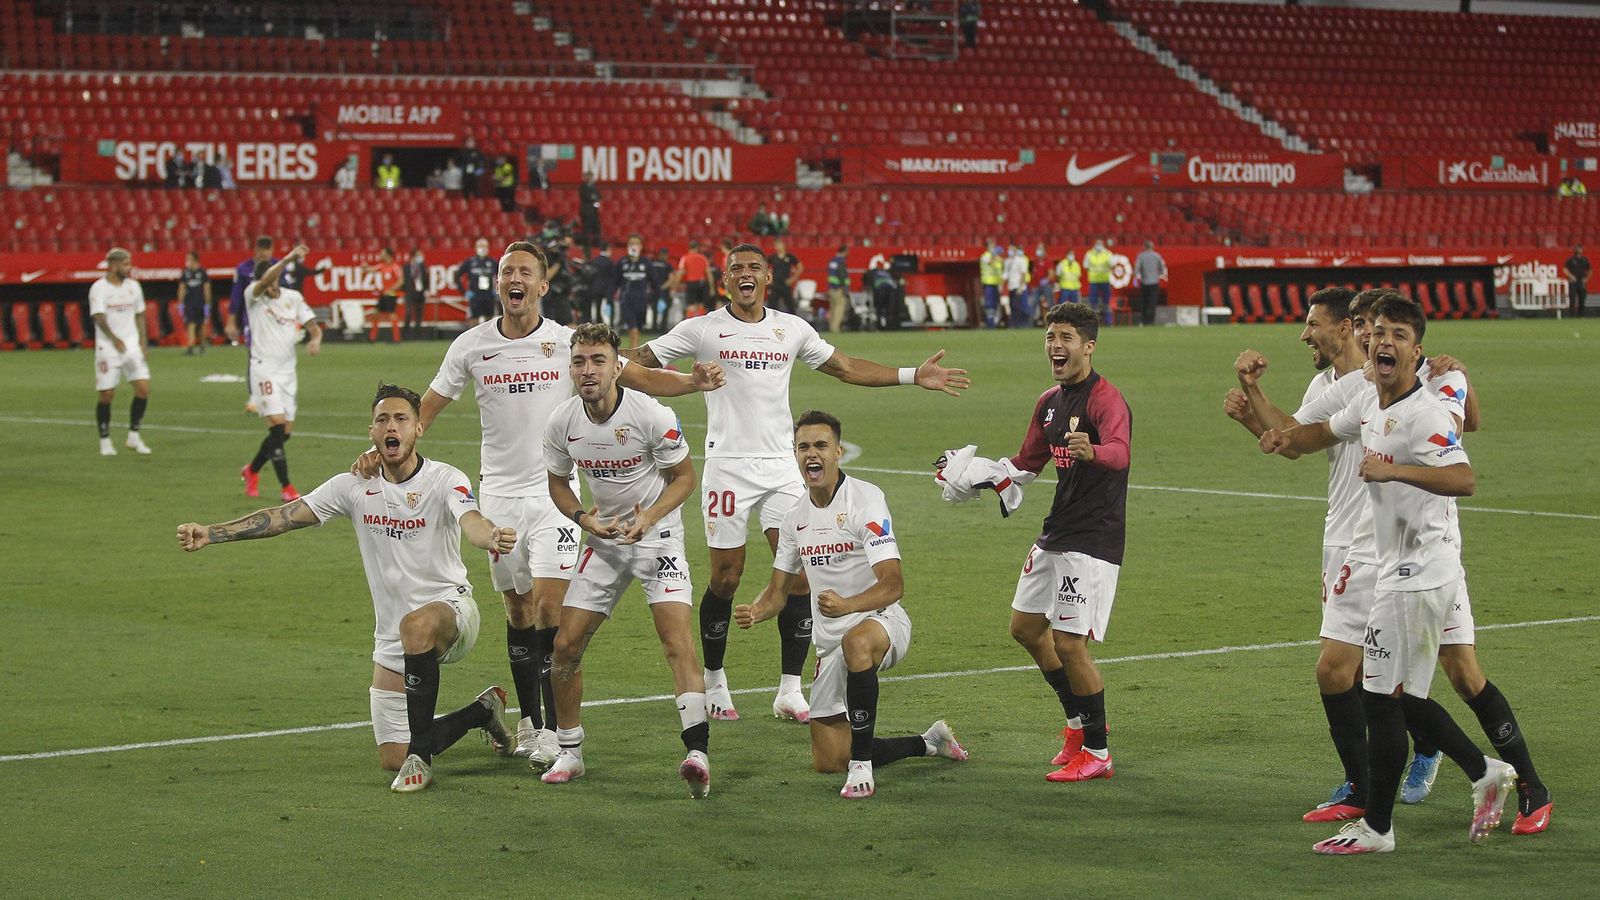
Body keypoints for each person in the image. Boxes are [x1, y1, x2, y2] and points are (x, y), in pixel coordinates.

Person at [356, 241, 722, 770]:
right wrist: (380, 452)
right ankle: (529, 721)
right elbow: (426, 410)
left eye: (525, 271)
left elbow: (637, 376)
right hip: (499, 494)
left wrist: (691, 382)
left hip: (555, 494)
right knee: (518, 609)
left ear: (543, 285)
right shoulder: (470, 346)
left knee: (551, 607)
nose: (514, 279)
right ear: (499, 283)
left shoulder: (568, 344)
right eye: (507, 272)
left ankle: (554, 733)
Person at [1245, 290, 1551, 835]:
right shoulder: (1361, 393)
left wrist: (1452, 392)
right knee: (1454, 676)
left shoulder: (1429, 391)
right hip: (1405, 557)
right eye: (1370, 328)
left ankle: (1460, 783)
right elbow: (1315, 434)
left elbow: (1464, 456)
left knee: (1389, 685)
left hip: (1417, 562)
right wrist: (1271, 432)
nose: (1375, 338)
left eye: (1387, 331)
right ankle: (1505, 779)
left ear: (1412, 346)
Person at [626, 242, 970, 724]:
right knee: (726, 577)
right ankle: (716, 679)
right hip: (727, 466)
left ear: (768, 278)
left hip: (782, 470)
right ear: (724, 282)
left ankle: (789, 688)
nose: (744, 274)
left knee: (801, 577)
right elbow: (636, 360)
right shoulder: (702, 329)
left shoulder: (791, 329)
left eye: (753, 267)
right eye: (735, 269)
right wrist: (592, 358)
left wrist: (914, 375)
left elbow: (846, 367)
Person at [180, 383, 519, 792]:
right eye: (382, 420)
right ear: (372, 433)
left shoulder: (445, 479)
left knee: (416, 627)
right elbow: (284, 516)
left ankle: (421, 761)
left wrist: (489, 536)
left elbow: (471, 520)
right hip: (393, 635)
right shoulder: (353, 486)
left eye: (401, 418)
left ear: (418, 429)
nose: (391, 426)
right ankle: (482, 712)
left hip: (452, 613)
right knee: (391, 755)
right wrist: (211, 533)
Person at [735, 410, 969, 799]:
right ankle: (929, 742)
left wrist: (848, 605)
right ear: (795, 455)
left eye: (821, 445)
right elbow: (779, 591)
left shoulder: (865, 499)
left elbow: (893, 585)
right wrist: (757, 610)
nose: (813, 454)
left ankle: (862, 769)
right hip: (831, 644)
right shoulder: (795, 519)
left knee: (856, 644)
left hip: (882, 621)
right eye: (804, 446)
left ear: (838, 452)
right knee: (829, 759)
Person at [538, 323, 710, 796]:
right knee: (565, 646)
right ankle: (570, 752)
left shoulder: (652, 414)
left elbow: (684, 478)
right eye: (579, 362)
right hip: (605, 541)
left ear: (619, 366)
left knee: (676, 641)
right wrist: (582, 518)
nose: (587, 370)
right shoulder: (562, 423)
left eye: (597, 360)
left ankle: (697, 752)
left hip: (659, 538)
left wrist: (649, 517)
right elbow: (558, 482)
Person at [1224, 288, 1374, 821]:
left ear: (1348, 327)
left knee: (1349, 666)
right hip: (1339, 536)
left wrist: (1254, 392)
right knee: (1358, 667)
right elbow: (1293, 440)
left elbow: (1289, 434)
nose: (1304, 333)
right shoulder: (1326, 384)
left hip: (1374, 540)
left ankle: (1391, 773)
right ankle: (1382, 771)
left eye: (1313, 324)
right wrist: (1250, 411)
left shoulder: (1376, 382)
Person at [1002, 302, 1131, 781]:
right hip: (1057, 530)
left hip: (1092, 538)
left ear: (1088, 346)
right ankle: (1077, 725)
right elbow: (1027, 462)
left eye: (1066, 338)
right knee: (1025, 627)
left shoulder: (1105, 399)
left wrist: (1092, 450)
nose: (1056, 346)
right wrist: (977, 476)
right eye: (1051, 337)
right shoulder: (1050, 402)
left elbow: (1119, 452)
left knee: (1070, 643)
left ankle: (1097, 752)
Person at [239, 244, 323, 502]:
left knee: (284, 433)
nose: (274, 285)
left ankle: (252, 470)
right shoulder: (253, 297)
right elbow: (263, 280)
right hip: (264, 369)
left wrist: (315, 338)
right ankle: (287, 487)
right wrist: (288, 257)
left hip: (288, 374)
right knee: (276, 427)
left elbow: (313, 325)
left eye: (277, 280)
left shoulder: (292, 298)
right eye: (271, 280)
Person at [89, 247, 153, 457]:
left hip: (132, 346)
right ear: (114, 265)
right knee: (107, 394)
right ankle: (105, 440)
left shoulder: (133, 287)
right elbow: (98, 316)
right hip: (108, 348)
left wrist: (143, 343)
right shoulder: (99, 288)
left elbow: (140, 315)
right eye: (126, 264)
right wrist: (114, 339)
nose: (129, 267)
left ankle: (134, 436)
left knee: (143, 389)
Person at [227, 236, 276, 413]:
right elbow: (236, 297)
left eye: (268, 250)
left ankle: (273, 393)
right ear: (256, 250)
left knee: (275, 355)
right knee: (254, 355)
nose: (265, 254)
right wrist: (231, 321)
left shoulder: (277, 267)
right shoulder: (243, 269)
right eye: (262, 250)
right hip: (252, 320)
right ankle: (254, 396)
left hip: (274, 320)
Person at [362, 247, 404, 343]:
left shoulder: (395, 267)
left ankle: (396, 338)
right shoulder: (382, 266)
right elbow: (371, 270)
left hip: (391, 294)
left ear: (388, 255)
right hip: (384, 294)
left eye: (382, 253)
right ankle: (372, 337)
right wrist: (365, 267)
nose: (381, 255)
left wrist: (391, 289)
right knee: (376, 313)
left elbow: (401, 281)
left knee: (392, 315)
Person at [617, 234, 652, 347]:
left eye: (636, 244)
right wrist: (609, 296)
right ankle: (634, 355)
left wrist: (657, 296)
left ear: (641, 246)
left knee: (638, 328)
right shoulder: (622, 263)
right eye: (631, 244)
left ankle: (634, 350)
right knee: (633, 330)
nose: (634, 246)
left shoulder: (646, 263)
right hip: (626, 300)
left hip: (641, 301)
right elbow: (614, 281)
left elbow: (654, 281)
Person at [455, 238, 499, 327]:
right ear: (476, 248)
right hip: (475, 295)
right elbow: (457, 276)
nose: (482, 248)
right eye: (480, 246)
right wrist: (464, 292)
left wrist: (497, 291)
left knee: (489, 320)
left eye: (485, 246)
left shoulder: (492, 262)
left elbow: (501, 276)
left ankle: (488, 340)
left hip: (488, 295)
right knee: (474, 320)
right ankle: (473, 339)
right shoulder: (470, 262)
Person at [179, 250, 211, 355]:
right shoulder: (185, 273)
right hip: (190, 303)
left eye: (189, 259)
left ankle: (202, 346)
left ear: (195, 260)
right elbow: (181, 288)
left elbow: (207, 288)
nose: (187, 261)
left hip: (200, 303)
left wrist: (207, 304)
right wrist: (181, 304)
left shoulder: (202, 272)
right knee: (191, 324)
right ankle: (190, 346)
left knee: (202, 325)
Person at [677, 240, 714, 324]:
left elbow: (681, 271)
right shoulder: (703, 258)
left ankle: (690, 325)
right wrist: (712, 288)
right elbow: (708, 273)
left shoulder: (685, 257)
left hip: (691, 283)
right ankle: (701, 326)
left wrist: (677, 283)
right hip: (702, 284)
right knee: (701, 305)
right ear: (697, 248)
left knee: (691, 306)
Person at [1133, 240, 1167, 326]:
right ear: (1152, 247)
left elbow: (1137, 267)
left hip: (1145, 281)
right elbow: (1162, 267)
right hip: (1154, 282)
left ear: (1144, 247)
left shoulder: (1141, 256)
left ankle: (1144, 320)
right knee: (1153, 301)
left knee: (1144, 301)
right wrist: (1159, 274)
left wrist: (1135, 277)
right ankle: (1151, 320)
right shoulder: (1157, 255)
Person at [766, 238, 803, 316]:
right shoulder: (773, 257)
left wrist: (793, 279)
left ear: (783, 245)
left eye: (779, 245)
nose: (777, 247)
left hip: (785, 283)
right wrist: (769, 278)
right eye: (776, 245)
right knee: (772, 305)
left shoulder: (789, 257)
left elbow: (800, 267)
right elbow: (764, 266)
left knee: (790, 306)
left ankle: (793, 323)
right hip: (775, 284)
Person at [403, 248, 431, 340]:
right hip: (410, 293)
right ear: (413, 256)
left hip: (420, 293)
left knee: (419, 315)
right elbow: (404, 280)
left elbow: (426, 279)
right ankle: (405, 333)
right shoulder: (406, 267)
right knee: (408, 313)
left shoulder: (422, 267)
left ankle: (417, 335)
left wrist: (426, 289)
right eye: (419, 255)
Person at [1084, 239, 1113, 323]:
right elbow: (1086, 266)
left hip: (1105, 281)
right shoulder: (1089, 254)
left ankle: (1108, 321)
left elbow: (1112, 265)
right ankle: (1093, 321)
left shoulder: (1108, 254)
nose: (1098, 246)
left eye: (1100, 244)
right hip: (1094, 281)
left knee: (1106, 302)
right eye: (1097, 244)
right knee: (1093, 302)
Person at [979, 238, 1004, 327]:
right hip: (988, 283)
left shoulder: (998, 258)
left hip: (996, 283)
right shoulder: (985, 256)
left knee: (996, 303)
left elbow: (1001, 270)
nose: (993, 247)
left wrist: (1001, 283)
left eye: (993, 245)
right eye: (991, 245)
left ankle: (996, 321)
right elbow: (990, 262)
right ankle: (990, 323)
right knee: (989, 303)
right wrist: (994, 255)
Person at [1003, 245, 1029, 328]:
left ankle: (1023, 324)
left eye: (1011, 250)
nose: (1009, 251)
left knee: (1021, 307)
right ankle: (1014, 324)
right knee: (1013, 306)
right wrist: (1002, 285)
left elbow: (1023, 274)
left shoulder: (1021, 260)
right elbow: (1006, 274)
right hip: (1011, 287)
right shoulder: (1007, 261)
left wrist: (1021, 287)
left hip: (1019, 287)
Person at [825, 243, 849, 332]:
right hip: (838, 288)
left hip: (831, 287)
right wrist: (844, 288)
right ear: (845, 251)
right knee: (839, 308)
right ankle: (835, 328)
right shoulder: (841, 262)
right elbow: (842, 275)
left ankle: (831, 327)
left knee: (832, 308)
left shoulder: (832, 261)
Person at [578, 170, 602, 252]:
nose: (591, 178)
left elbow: (598, 196)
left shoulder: (594, 187)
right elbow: (588, 197)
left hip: (594, 212)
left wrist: (594, 197)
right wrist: (594, 197)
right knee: (587, 229)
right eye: (589, 176)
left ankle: (596, 245)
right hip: (586, 212)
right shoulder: (583, 186)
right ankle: (586, 246)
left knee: (597, 228)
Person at [1565, 245, 1589, 318]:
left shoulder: (1584, 260)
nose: (1579, 251)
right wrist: (1571, 276)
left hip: (1581, 281)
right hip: (1573, 282)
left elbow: (1590, 270)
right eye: (1578, 250)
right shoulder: (1571, 259)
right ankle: (1572, 316)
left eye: (1580, 250)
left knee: (1582, 299)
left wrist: (1586, 278)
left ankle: (1580, 316)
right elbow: (1565, 269)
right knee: (1572, 299)